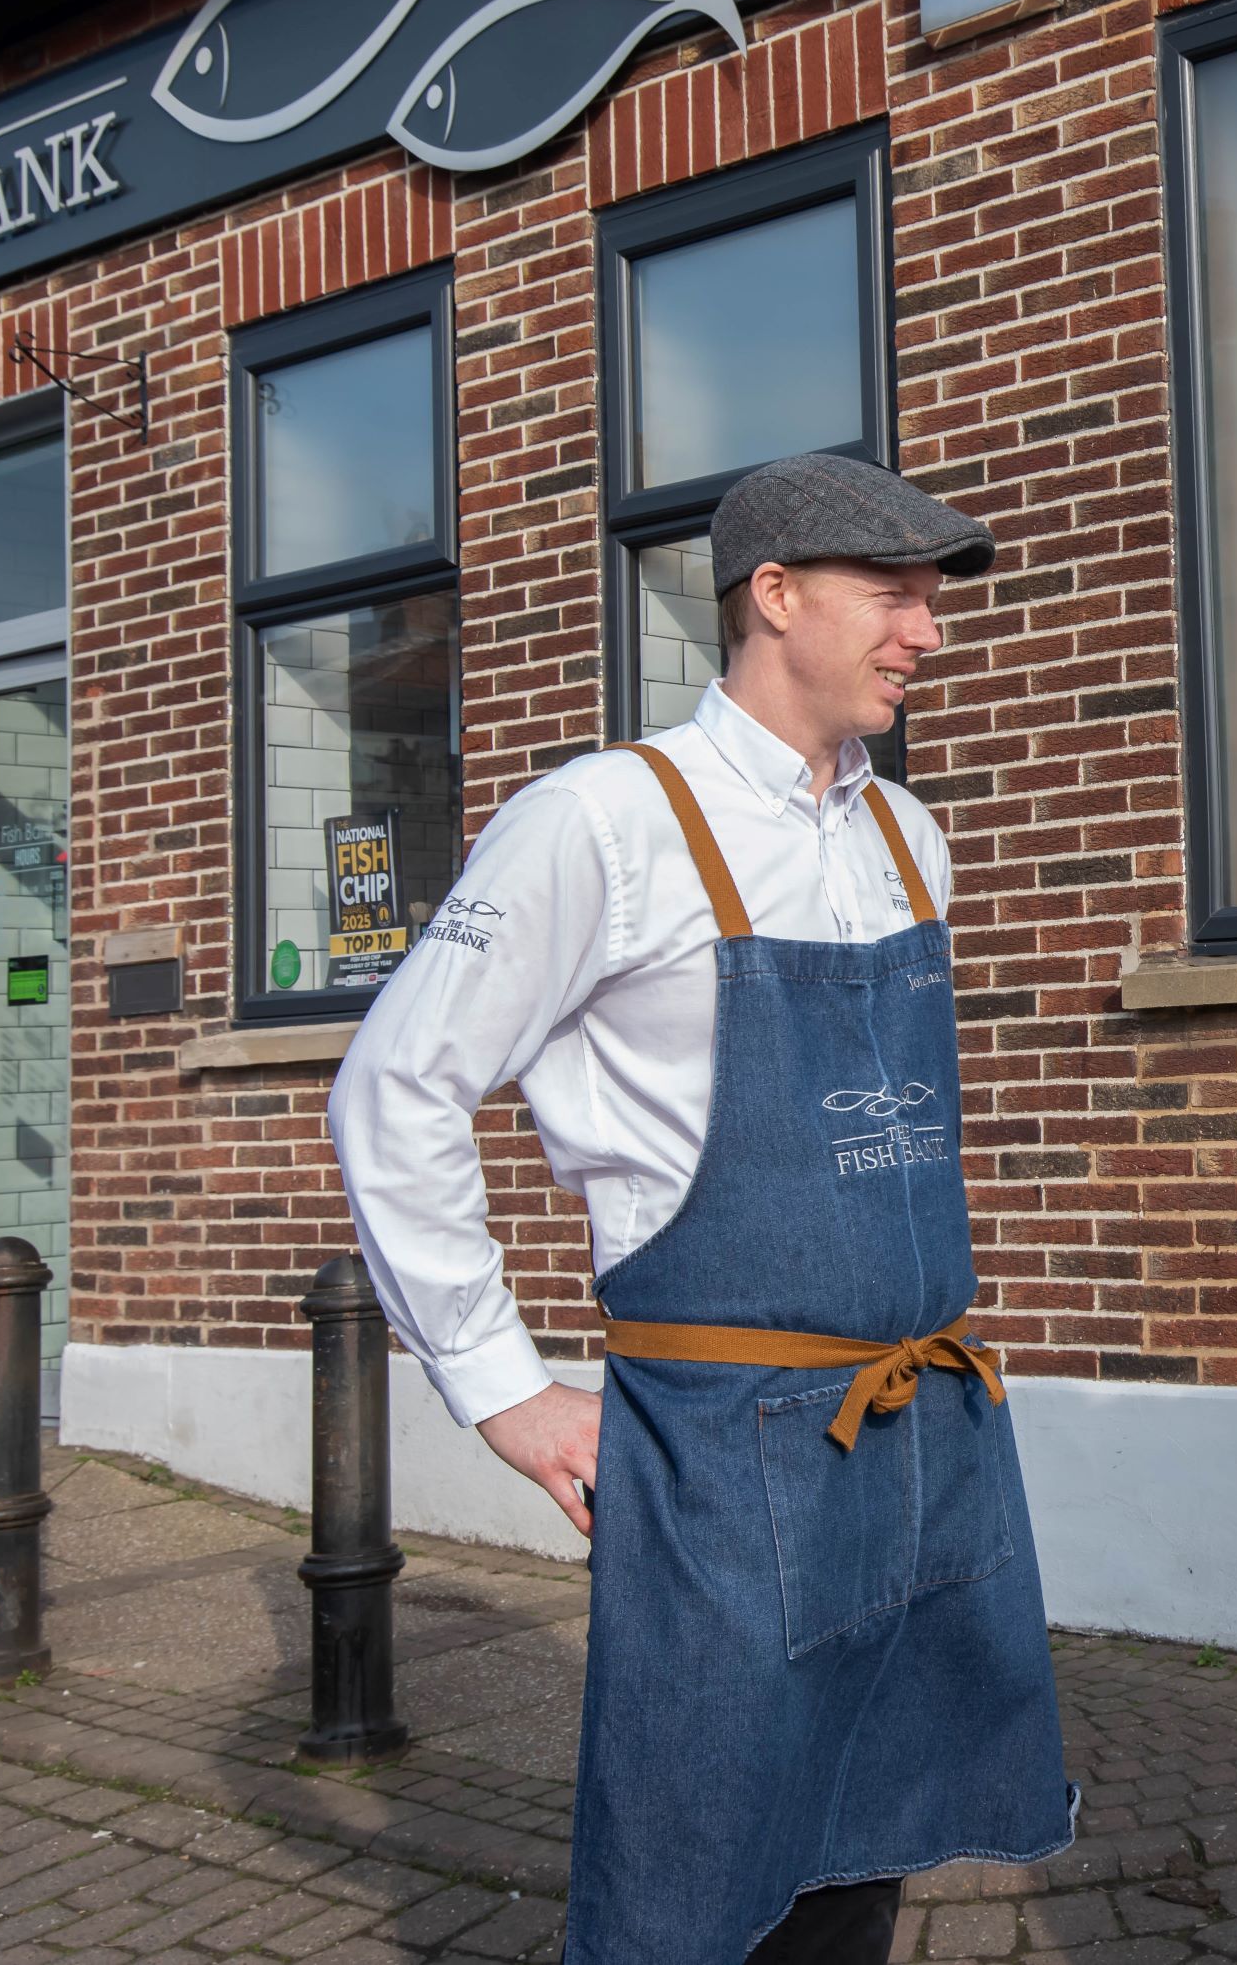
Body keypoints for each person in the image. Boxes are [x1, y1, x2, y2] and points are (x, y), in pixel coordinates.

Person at [327, 454, 1073, 1965]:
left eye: (933, 598)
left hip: (922, 1425)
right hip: (725, 1451)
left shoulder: (905, 836)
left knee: (869, 1847)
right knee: (694, 1876)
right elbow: (394, 1088)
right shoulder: (603, 821)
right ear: (775, 597)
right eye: (896, 595)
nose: (928, 630)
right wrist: (502, 1387)